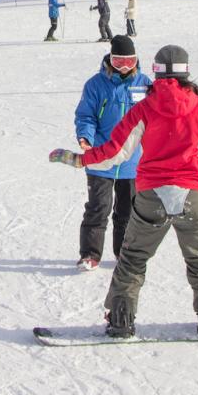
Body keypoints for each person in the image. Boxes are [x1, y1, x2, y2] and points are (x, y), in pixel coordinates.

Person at [49, 45, 198, 338]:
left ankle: (121, 320)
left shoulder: (144, 109)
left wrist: (80, 158)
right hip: (192, 194)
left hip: (152, 195)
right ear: (187, 71)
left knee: (132, 259)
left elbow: (114, 152)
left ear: (154, 72)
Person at [74, 35, 152, 271]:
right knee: (99, 208)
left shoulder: (145, 83)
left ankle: (124, 254)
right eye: (119, 62)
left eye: (130, 61)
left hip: (132, 160)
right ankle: (90, 254)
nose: (125, 67)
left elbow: (154, 117)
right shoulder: (95, 84)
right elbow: (86, 115)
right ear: (110, 59)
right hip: (102, 158)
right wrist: (85, 137)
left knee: (128, 212)